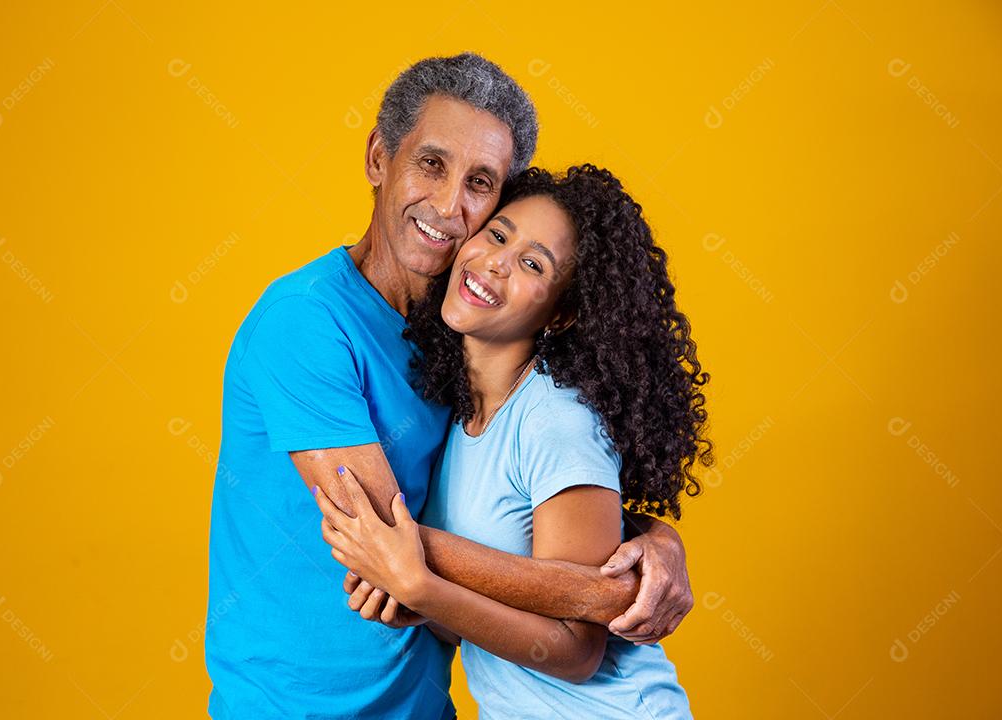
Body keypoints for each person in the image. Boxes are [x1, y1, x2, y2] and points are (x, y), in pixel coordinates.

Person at [206, 53, 695, 720]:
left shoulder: (458, 345)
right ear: (380, 157)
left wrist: (653, 539)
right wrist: (598, 591)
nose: (448, 205)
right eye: (431, 164)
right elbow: (379, 533)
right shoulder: (304, 322)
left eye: (480, 182)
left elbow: (487, 516)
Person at [314, 164, 711, 719]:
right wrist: (426, 607)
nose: (496, 261)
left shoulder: (557, 419)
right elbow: (503, 612)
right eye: (497, 234)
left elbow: (577, 650)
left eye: (531, 264)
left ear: (561, 313)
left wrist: (423, 586)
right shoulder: (455, 416)